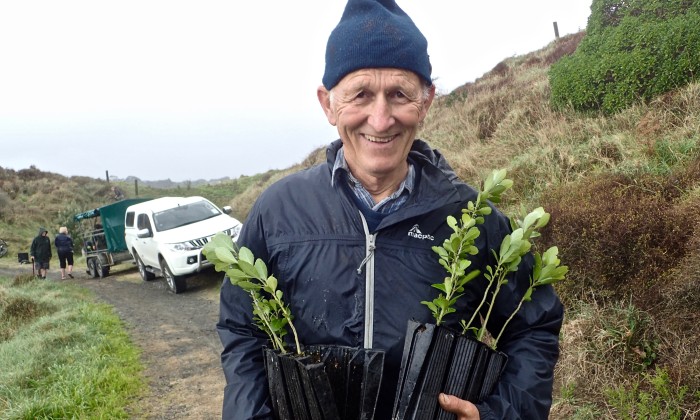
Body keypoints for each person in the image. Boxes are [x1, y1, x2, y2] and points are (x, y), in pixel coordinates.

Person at [217, 0, 564, 419]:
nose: (380, 120)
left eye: (399, 94)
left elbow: (534, 326)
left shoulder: (473, 217)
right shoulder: (278, 211)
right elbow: (242, 329)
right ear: (328, 103)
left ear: (427, 101)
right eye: (360, 94)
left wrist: (500, 415)